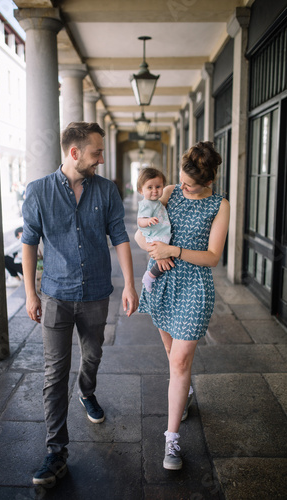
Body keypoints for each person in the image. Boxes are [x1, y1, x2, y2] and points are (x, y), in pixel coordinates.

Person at [21, 121, 139, 486]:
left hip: (96, 294)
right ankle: (55, 452)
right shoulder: (38, 192)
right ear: (75, 153)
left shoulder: (106, 191)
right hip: (56, 295)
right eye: (96, 153)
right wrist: (30, 292)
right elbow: (28, 241)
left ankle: (87, 390)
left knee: (93, 355)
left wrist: (130, 285)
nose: (101, 159)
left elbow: (120, 236)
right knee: (54, 374)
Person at [135, 141, 230, 470]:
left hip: (194, 289)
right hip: (162, 282)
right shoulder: (169, 190)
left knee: (179, 362)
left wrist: (172, 251)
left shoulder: (220, 205)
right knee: (173, 356)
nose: (183, 189)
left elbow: (213, 257)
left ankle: (171, 441)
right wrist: (150, 247)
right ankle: (183, 392)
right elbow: (140, 230)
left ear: (208, 182)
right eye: (182, 182)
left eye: (191, 185)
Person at [137, 167, 171, 292]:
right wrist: (148, 221)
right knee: (165, 259)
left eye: (158, 187)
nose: (155, 191)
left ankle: (151, 275)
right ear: (141, 190)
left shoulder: (156, 202)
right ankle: (149, 276)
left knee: (166, 259)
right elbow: (140, 221)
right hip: (155, 236)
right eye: (149, 187)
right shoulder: (146, 204)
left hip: (161, 234)